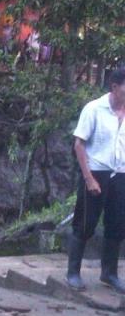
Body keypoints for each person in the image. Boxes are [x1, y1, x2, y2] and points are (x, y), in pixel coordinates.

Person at [67, 67, 125, 293]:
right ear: (115, 88)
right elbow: (79, 144)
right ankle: (73, 272)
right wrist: (89, 178)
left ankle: (109, 273)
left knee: (117, 225)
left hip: (120, 174)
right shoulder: (94, 109)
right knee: (84, 223)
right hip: (96, 172)